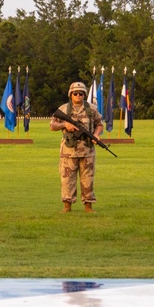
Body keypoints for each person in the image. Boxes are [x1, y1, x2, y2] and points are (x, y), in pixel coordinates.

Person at [50, 82, 104, 213]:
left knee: (88, 178)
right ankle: (67, 206)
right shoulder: (63, 109)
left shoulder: (91, 109)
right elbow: (52, 126)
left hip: (87, 150)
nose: (78, 95)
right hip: (68, 151)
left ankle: (88, 206)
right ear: (70, 94)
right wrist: (64, 125)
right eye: (75, 93)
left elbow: (99, 124)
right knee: (67, 179)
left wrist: (96, 135)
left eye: (81, 93)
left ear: (85, 94)